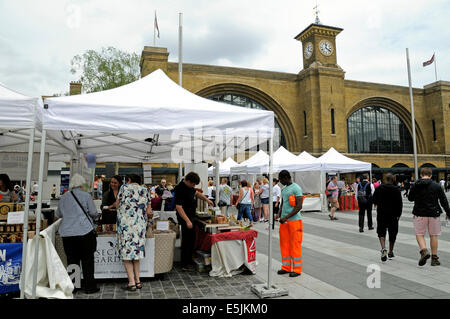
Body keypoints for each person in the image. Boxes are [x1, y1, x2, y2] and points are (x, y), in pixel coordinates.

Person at [55, 174, 99, 294]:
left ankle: (74, 286)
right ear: (81, 184)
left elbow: (58, 214)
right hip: (84, 231)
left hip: (67, 233)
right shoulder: (86, 195)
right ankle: (90, 287)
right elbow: (94, 213)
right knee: (87, 260)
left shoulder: (63, 197)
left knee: (72, 260)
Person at [116, 174, 152, 291]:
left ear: (129, 180)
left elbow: (117, 204)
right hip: (140, 225)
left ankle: (131, 283)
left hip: (126, 225)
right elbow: (149, 210)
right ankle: (138, 281)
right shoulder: (145, 190)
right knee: (136, 254)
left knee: (126, 255)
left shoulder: (124, 188)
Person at [408, 167, 450, 266]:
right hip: (433, 213)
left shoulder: (415, 185)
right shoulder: (436, 186)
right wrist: (448, 213)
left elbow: (410, 198)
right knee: (433, 235)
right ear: (431, 175)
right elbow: (443, 200)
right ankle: (434, 258)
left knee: (419, 234)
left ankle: (424, 250)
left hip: (419, 213)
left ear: (421, 175)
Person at [174, 172, 214, 271]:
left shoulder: (189, 187)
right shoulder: (180, 189)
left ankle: (189, 259)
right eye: (193, 184)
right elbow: (178, 207)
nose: (194, 186)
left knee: (192, 239)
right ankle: (184, 264)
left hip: (191, 216)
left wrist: (206, 199)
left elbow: (197, 193)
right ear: (188, 181)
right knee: (187, 240)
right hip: (185, 217)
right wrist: (187, 221)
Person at [275, 170, 303, 277]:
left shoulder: (296, 188)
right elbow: (283, 203)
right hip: (284, 222)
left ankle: (297, 269)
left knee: (295, 244)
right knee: (284, 244)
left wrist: (286, 217)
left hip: (294, 221)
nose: (280, 181)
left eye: (281, 179)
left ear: (286, 177)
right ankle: (286, 267)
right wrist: (279, 214)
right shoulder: (284, 189)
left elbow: (299, 206)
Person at [372, 173, 402, 262]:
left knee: (381, 231)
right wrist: (398, 215)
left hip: (381, 213)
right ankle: (391, 251)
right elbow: (400, 204)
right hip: (393, 215)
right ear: (393, 180)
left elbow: (374, 200)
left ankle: (383, 248)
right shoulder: (396, 190)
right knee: (393, 232)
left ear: (385, 179)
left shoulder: (379, 188)